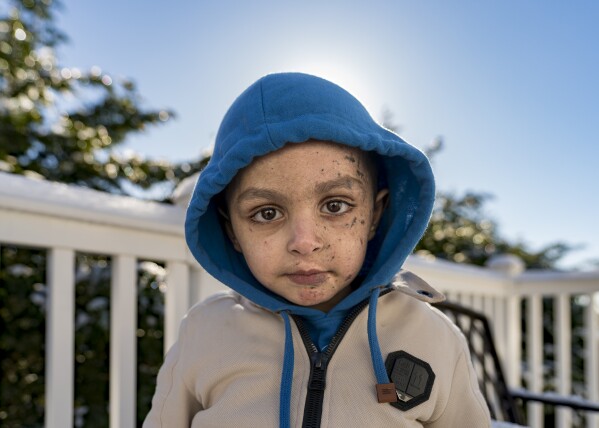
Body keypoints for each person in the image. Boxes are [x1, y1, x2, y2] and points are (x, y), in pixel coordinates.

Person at [143, 72, 491, 427]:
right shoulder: (205, 331)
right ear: (232, 230)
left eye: (336, 206)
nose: (305, 242)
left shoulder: (434, 337)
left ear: (375, 215)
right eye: (267, 213)